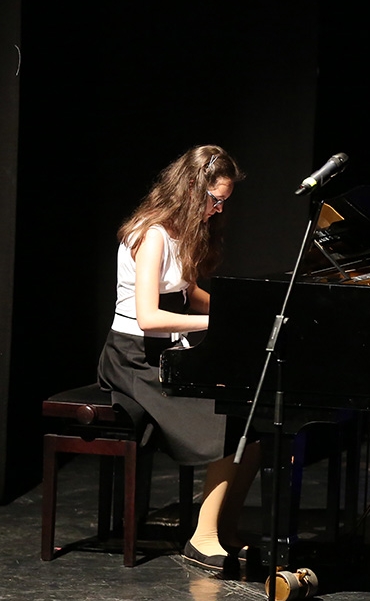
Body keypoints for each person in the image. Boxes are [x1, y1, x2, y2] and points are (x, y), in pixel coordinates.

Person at [97, 144, 260, 571]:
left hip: (166, 353)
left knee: (254, 422)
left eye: (223, 202)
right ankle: (201, 539)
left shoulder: (182, 232)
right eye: (215, 200)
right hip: (134, 358)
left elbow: (188, 293)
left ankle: (224, 529)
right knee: (227, 422)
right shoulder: (151, 235)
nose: (218, 210)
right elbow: (149, 317)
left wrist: (242, 311)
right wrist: (216, 324)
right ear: (191, 189)